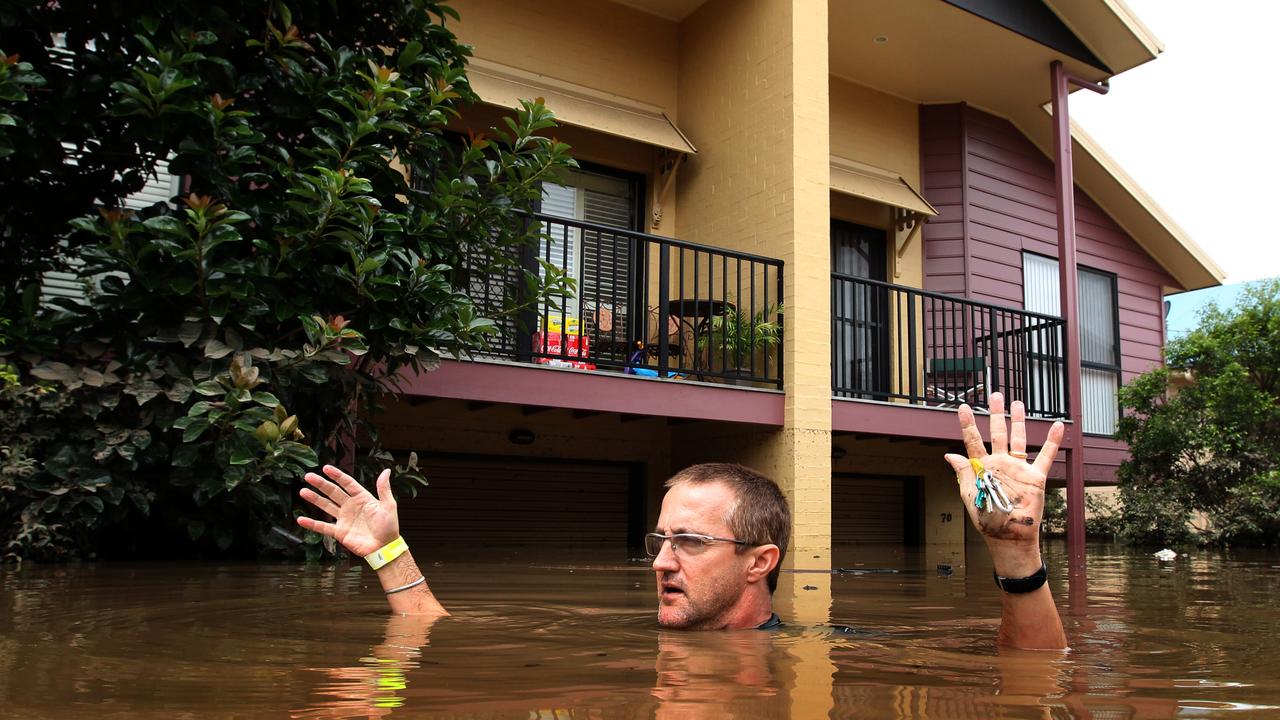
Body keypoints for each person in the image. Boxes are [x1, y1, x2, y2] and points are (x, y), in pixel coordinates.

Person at [297, 392, 1066, 648]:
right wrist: (386, 550)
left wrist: (1015, 551)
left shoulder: (823, 652)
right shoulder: (625, 640)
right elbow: (437, 632)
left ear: (761, 562)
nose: (661, 561)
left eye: (689, 542)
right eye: (659, 540)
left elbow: (1031, 680)